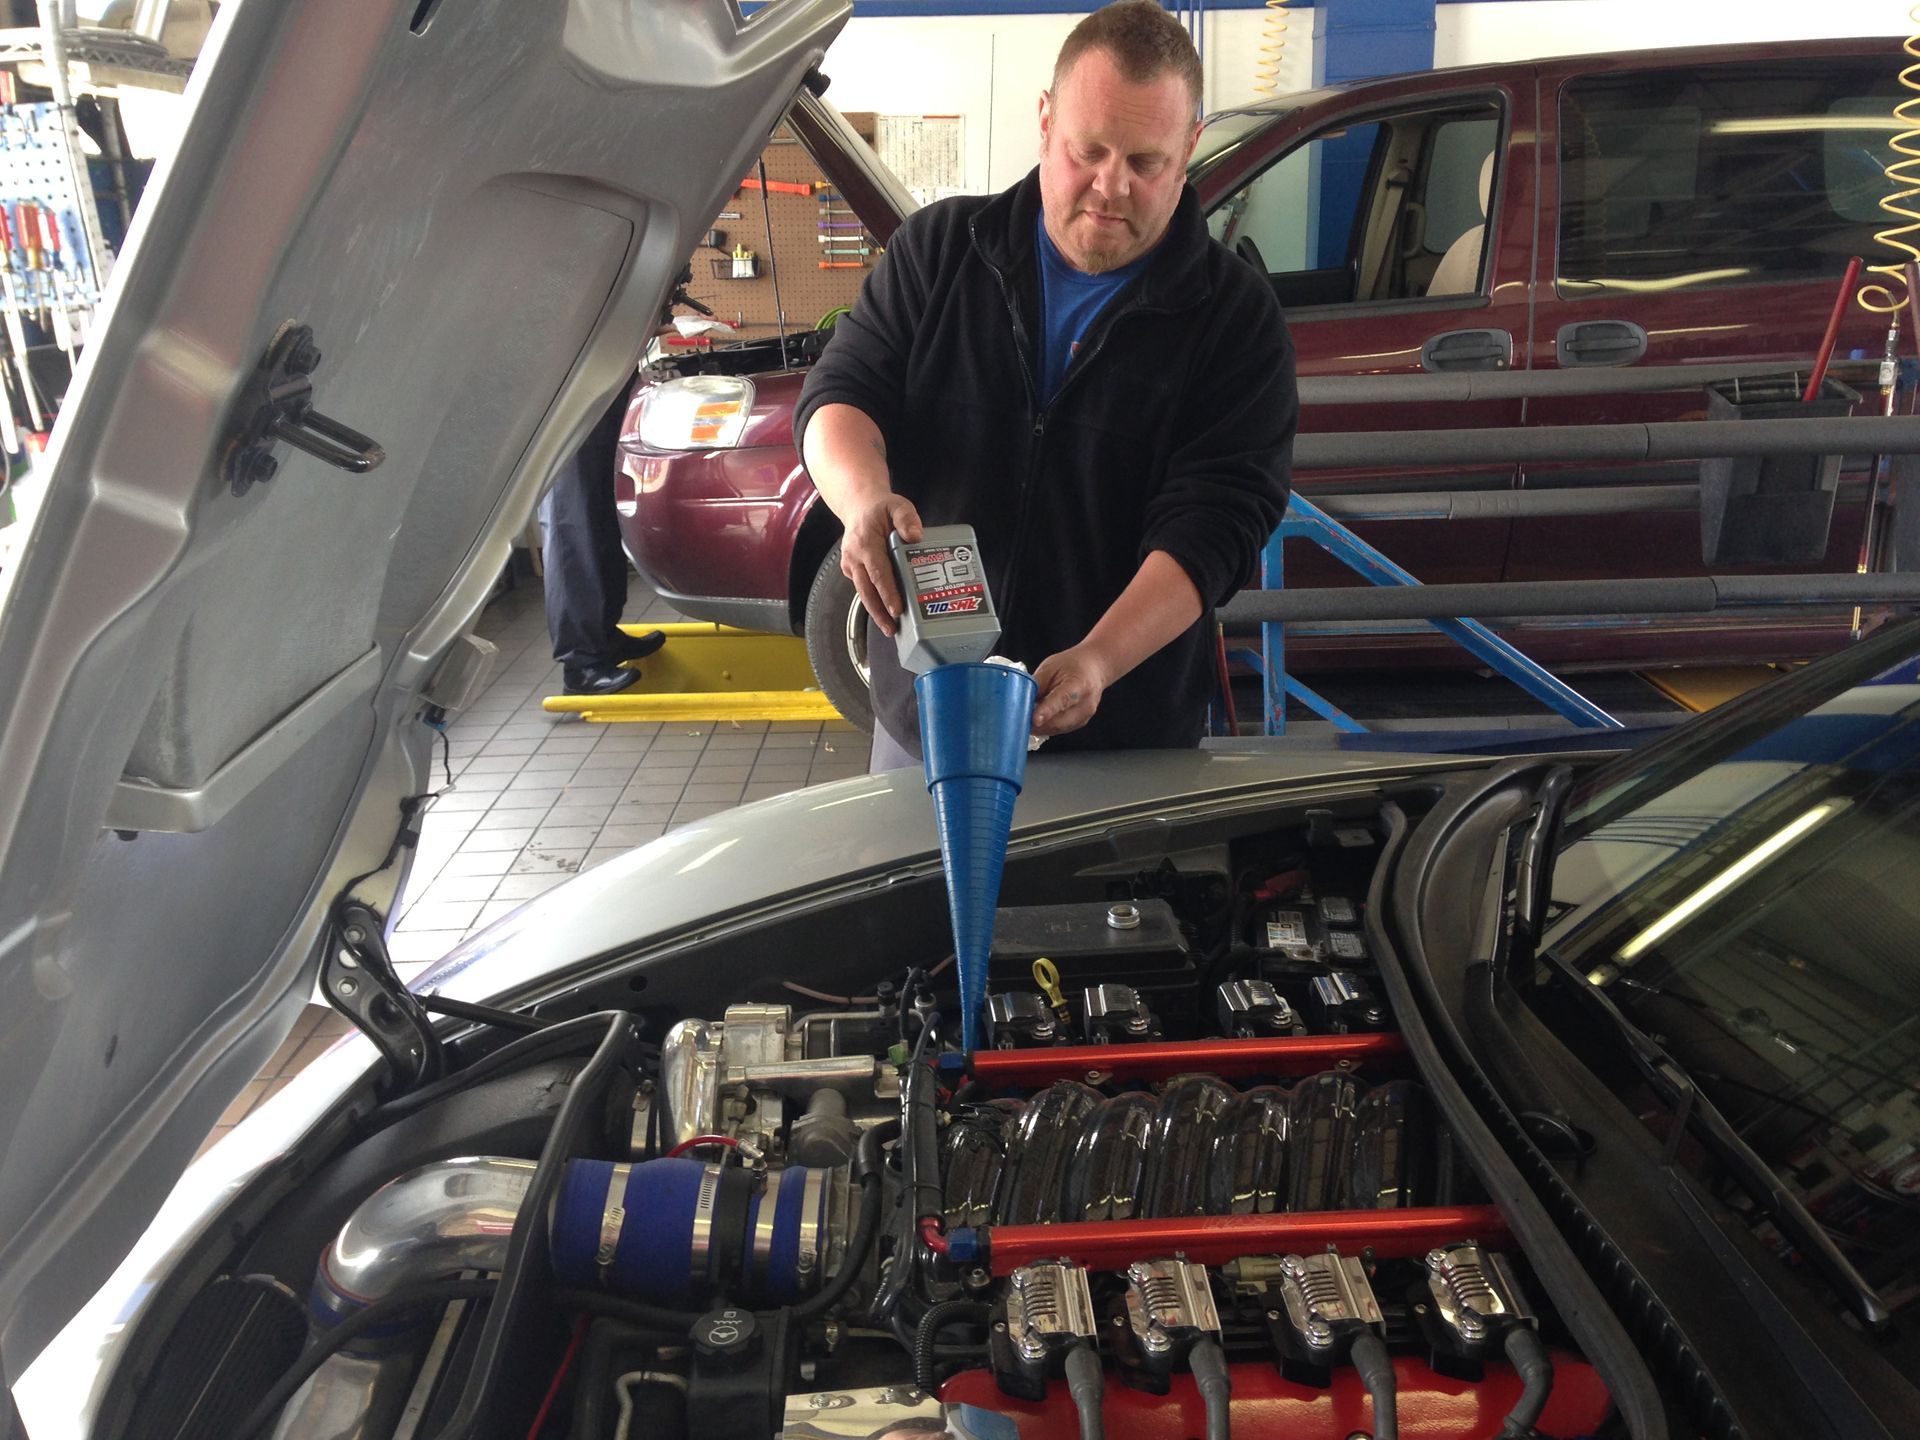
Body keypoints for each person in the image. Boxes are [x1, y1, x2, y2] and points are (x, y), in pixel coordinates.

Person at [795, 0, 1296, 770]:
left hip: (1124, 734)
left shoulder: (1235, 320)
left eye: (1145, 162)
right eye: (1086, 150)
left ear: (1190, 146)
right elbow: (843, 392)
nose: (1110, 186)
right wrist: (862, 497)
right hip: (928, 714)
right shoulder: (938, 254)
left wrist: (1100, 658)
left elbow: (1217, 521)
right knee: (923, 894)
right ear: (1044, 118)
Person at [543, 390, 665, 694]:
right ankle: (581, 663)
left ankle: (604, 637)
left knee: (603, 515)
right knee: (573, 519)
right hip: (564, 391)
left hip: (598, 386)